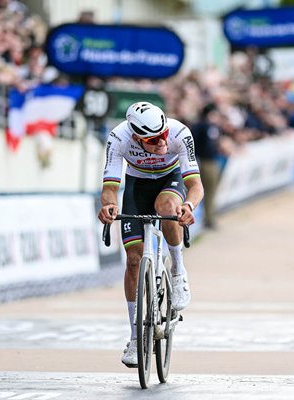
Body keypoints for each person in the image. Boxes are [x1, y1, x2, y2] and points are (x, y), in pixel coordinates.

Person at [97, 102, 204, 367]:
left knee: (166, 207)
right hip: (137, 184)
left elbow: (196, 186)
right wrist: (108, 205)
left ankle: (178, 271)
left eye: (164, 134)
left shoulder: (179, 133)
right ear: (136, 137)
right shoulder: (118, 137)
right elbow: (110, 186)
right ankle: (135, 338)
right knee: (133, 259)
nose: (163, 142)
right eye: (154, 139)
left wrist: (188, 206)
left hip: (171, 179)